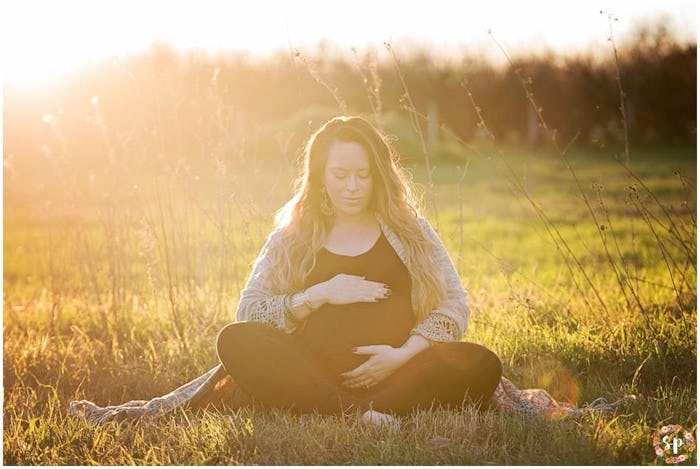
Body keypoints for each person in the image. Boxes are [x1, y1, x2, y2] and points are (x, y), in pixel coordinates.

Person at [215, 115, 502, 424]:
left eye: (363, 175)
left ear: (377, 176)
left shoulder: (411, 231)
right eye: (340, 175)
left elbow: (454, 305)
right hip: (312, 371)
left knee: (482, 363)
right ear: (320, 175)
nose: (352, 187)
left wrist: (401, 355)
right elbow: (249, 311)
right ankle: (358, 411)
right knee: (235, 340)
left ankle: (345, 408)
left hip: (397, 371)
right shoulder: (292, 236)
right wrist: (319, 294)